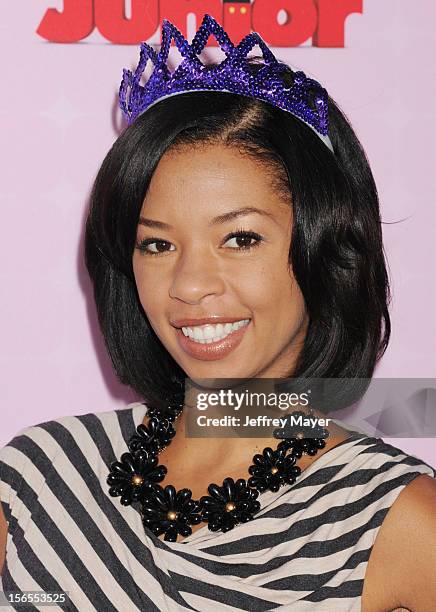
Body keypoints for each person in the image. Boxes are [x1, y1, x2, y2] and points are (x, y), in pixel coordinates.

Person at [1, 13, 435, 612]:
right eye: (157, 245)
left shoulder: (393, 520)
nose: (190, 285)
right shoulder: (43, 470)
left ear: (326, 248)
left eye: (240, 238)